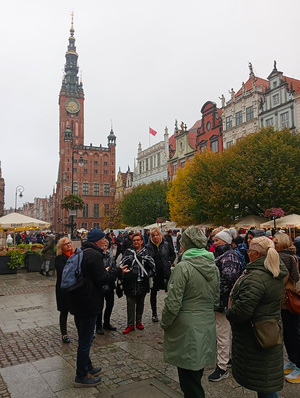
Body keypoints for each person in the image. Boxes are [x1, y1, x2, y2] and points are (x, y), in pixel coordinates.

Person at [161, 226, 220, 398]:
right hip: (206, 324)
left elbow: (173, 303)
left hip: (187, 328)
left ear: (185, 245)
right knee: (195, 374)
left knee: (189, 382)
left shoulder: (183, 267)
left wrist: (165, 322)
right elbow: (216, 299)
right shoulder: (213, 266)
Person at [227, 236, 288, 397]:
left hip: (257, 335)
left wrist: (229, 312)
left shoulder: (257, 277)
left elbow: (242, 310)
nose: (247, 253)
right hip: (270, 330)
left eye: (249, 250)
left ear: (257, 254)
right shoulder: (273, 270)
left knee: (265, 384)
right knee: (266, 382)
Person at [69, 228, 128, 388]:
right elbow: (102, 279)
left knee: (83, 338)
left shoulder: (82, 251)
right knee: (85, 341)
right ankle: (81, 376)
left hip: (78, 301)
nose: (105, 240)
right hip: (88, 302)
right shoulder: (94, 255)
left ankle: (87, 367)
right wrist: (115, 271)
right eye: (103, 238)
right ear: (97, 241)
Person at [208, 228, 242, 382]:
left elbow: (228, 280)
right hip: (221, 301)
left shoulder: (229, 256)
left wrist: (215, 293)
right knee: (224, 332)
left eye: (217, 240)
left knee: (222, 333)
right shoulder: (224, 255)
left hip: (223, 302)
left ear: (225, 242)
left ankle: (222, 367)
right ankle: (226, 359)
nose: (214, 243)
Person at [273, 233, 300, 383]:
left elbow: (290, 278)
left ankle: (298, 365)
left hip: (287, 301)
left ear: (282, 243)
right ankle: (293, 360)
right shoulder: (289, 255)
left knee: (292, 333)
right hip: (286, 301)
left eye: (276, 242)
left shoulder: (283, 257)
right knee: (290, 333)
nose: (273, 244)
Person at [120, 232, 155, 334]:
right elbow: (122, 263)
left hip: (142, 281)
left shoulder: (146, 252)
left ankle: (138, 321)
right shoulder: (128, 252)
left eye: (138, 240)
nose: (136, 242)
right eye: (134, 240)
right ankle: (130, 324)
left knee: (140, 303)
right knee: (130, 304)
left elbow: (152, 264)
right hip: (130, 282)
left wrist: (150, 273)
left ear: (141, 241)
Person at [147, 227, 176, 322]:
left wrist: (169, 261)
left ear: (160, 235)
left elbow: (173, 254)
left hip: (165, 272)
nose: (155, 237)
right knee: (153, 293)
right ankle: (154, 313)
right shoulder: (148, 246)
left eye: (157, 235)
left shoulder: (166, 245)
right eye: (153, 235)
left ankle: (169, 312)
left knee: (170, 293)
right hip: (155, 274)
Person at [95, 239, 118, 335]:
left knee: (110, 305)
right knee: (99, 307)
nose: (104, 248)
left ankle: (107, 322)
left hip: (109, 283)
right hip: (100, 285)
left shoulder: (110, 257)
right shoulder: (97, 257)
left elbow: (114, 268)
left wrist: (111, 272)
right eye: (102, 245)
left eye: (105, 246)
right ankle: (98, 325)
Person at [55, 237, 74, 343]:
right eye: (65, 244)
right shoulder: (60, 258)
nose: (68, 245)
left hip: (75, 287)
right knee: (64, 311)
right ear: (61, 247)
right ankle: (64, 333)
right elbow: (63, 272)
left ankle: (81, 331)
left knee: (77, 310)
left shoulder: (75, 255)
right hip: (64, 288)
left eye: (69, 243)